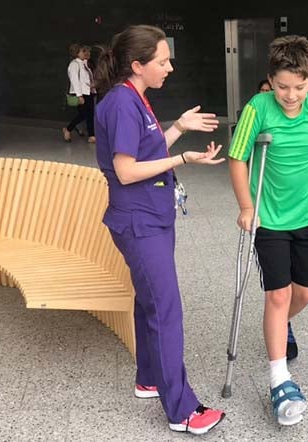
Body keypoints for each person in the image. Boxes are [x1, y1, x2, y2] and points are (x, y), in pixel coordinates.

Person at [93, 24, 225, 435]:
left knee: (149, 301)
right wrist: (183, 159)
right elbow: (127, 171)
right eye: (163, 61)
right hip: (140, 222)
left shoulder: (134, 97)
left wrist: (179, 127)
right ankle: (182, 411)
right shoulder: (121, 103)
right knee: (165, 310)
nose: (170, 67)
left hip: (151, 217)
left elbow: (147, 150)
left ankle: (149, 378)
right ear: (137, 65)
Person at [228, 35, 308, 426]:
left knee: (304, 293)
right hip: (270, 220)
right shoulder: (257, 108)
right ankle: (279, 379)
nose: (290, 96)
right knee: (278, 294)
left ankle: (279, 324)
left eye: (298, 87)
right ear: (270, 81)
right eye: (282, 87)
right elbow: (238, 158)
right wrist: (248, 207)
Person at [63, 44, 96, 143]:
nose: (85, 53)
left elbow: (87, 79)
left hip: (88, 92)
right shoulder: (74, 64)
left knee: (89, 114)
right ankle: (68, 129)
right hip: (81, 93)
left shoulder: (84, 64)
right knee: (84, 114)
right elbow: (75, 81)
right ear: (77, 53)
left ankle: (91, 135)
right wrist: (79, 95)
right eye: (83, 51)